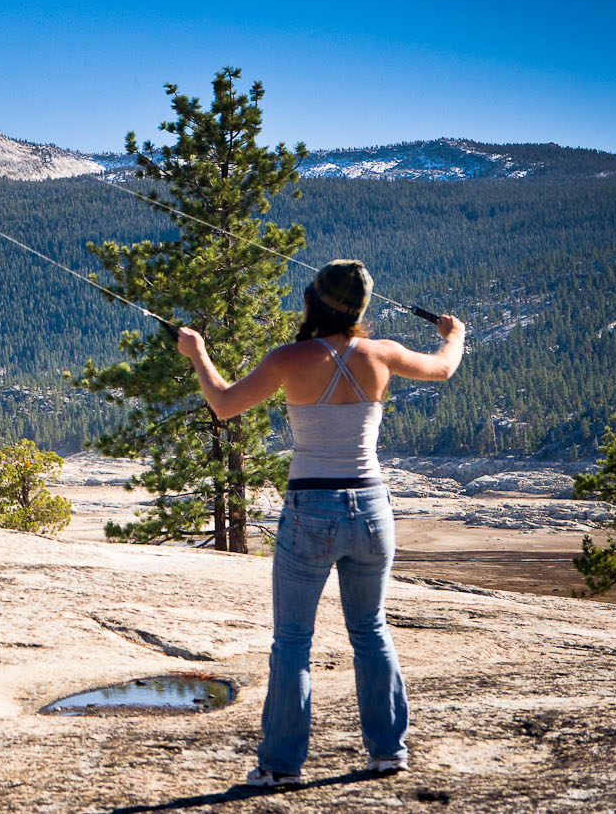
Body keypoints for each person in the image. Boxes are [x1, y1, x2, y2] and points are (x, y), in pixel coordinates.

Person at [173, 259, 465, 789]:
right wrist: (455, 333)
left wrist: (198, 353)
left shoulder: (291, 358)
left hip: (311, 508)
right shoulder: (383, 354)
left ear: (313, 300)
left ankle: (282, 766)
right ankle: (387, 753)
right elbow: (445, 367)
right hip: (373, 509)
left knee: (292, 640)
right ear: (360, 308)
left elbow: (223, 404)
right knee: (371, 631)